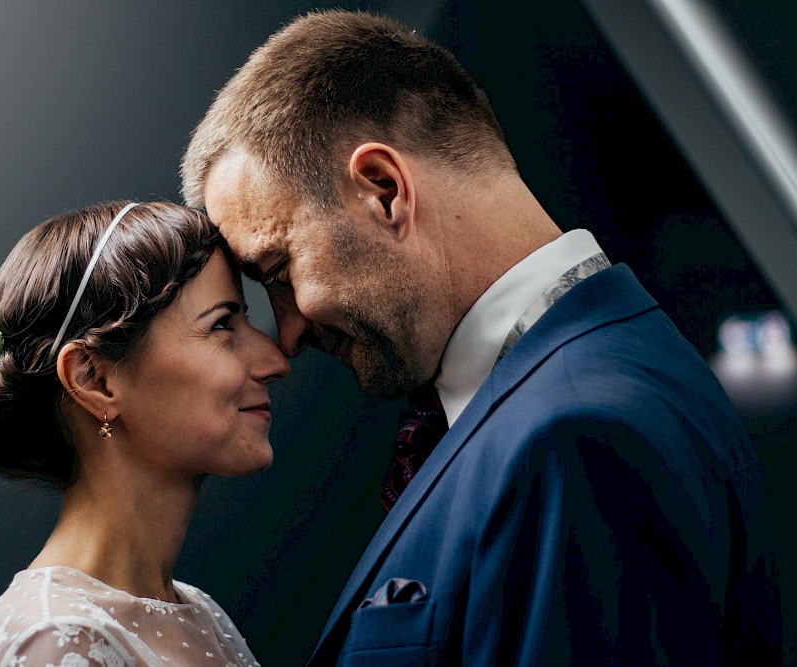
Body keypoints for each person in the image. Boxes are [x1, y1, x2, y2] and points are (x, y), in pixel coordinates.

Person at [181, 10, 781, 666]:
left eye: (280, 272)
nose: (288, 332)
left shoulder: (575, 438)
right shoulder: (612, 373)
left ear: (383, 190)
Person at [0, 201, 289, 666]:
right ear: (95, 380)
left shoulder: (201, 612)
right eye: (221, 324)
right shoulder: (56, 642)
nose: (276, 361)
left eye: (246, 319)